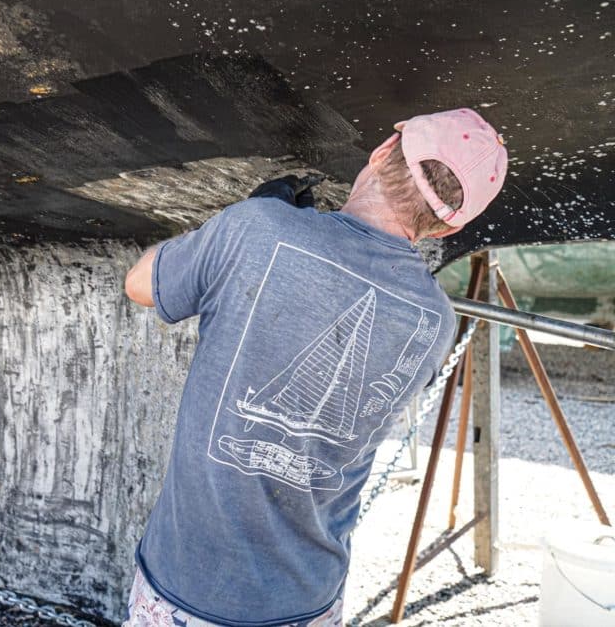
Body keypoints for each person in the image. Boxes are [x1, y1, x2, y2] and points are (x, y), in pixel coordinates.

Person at [122, 108, 507, 626]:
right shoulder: (436, 320)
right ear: (451, 222)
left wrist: (239, 223)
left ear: (380, 154)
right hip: (308, 601)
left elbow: (139, 285)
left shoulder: (256, 229)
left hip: (188, 590)